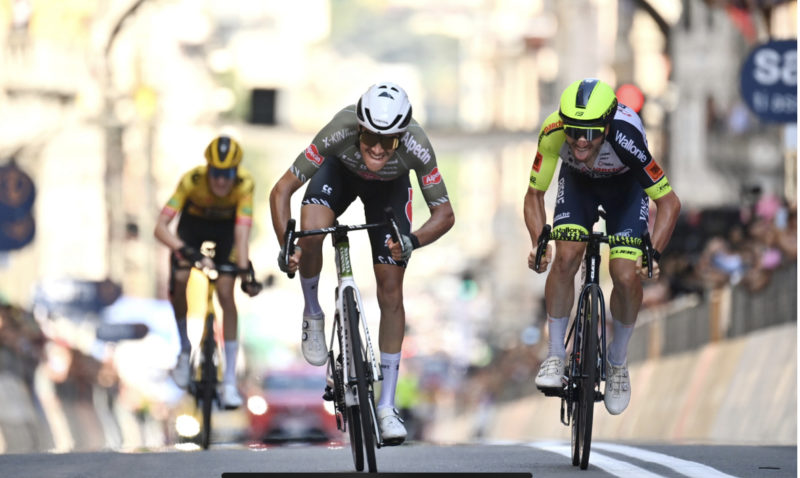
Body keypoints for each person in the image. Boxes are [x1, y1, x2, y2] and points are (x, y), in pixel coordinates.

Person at [269, 82, 455, 445]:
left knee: (391, 291)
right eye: (370, 136)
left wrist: (412, 241)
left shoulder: (417, 145)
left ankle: (386, 407)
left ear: (402, 135)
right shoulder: (340, 128)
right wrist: (286, 244)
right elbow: (281, 190)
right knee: (312, 232)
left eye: (389, 141)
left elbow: (445, 213)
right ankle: (313, 313)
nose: (378, 147)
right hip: (337, 175)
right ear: (359, 127)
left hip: (389, 191)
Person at [523, 79, 681, 415]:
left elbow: (669, 203)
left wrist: (653, 253)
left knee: (624, 275)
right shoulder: (552, 131)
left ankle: (618, 362)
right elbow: (535, 194)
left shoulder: (627, 138)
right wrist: (539, 242)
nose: (581, 140)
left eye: (592, 132)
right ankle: (554, 356)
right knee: (565, 256)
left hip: (626, 190)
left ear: (607, 126)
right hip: (579, 184)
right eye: (574, 131)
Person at [155, 135, 261, 409]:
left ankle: (228, 382)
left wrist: (245, 271)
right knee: (180, 280)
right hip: (192, 230)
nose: (221, 181)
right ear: (208, 169)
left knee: (226, 292)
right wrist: (187, 252)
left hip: (226, 232)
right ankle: (184, 350)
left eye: (227, 174)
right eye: (216, 173)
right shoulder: (191, 181)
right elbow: (161, 228)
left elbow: (241, 231)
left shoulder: (245, 184)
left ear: (236, 172)